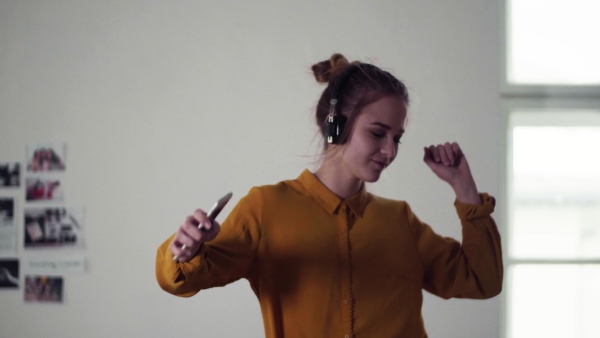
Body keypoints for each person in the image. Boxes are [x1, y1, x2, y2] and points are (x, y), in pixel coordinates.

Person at [155, 53, 503, 338]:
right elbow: (183, 278)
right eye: (378, 133)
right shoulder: (266, 209)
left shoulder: (400, 221)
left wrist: (464, 188)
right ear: (334, 124)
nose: (390, 151)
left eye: (397, 138)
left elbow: (482, 280)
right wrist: (185, 250)